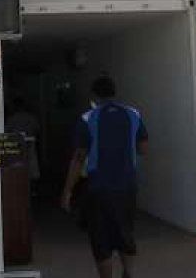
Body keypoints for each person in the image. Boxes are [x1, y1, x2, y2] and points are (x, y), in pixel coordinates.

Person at [61, 77, 147, 278]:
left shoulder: (87, 118)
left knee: (101, 238)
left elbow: (79, 157)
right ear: (114, 92)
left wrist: (67, 190)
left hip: (98, 187)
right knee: (126, 232)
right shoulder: (133, 114)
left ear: (94, 96)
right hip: (127, 185)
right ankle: (129, 273)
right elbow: (143, 148)